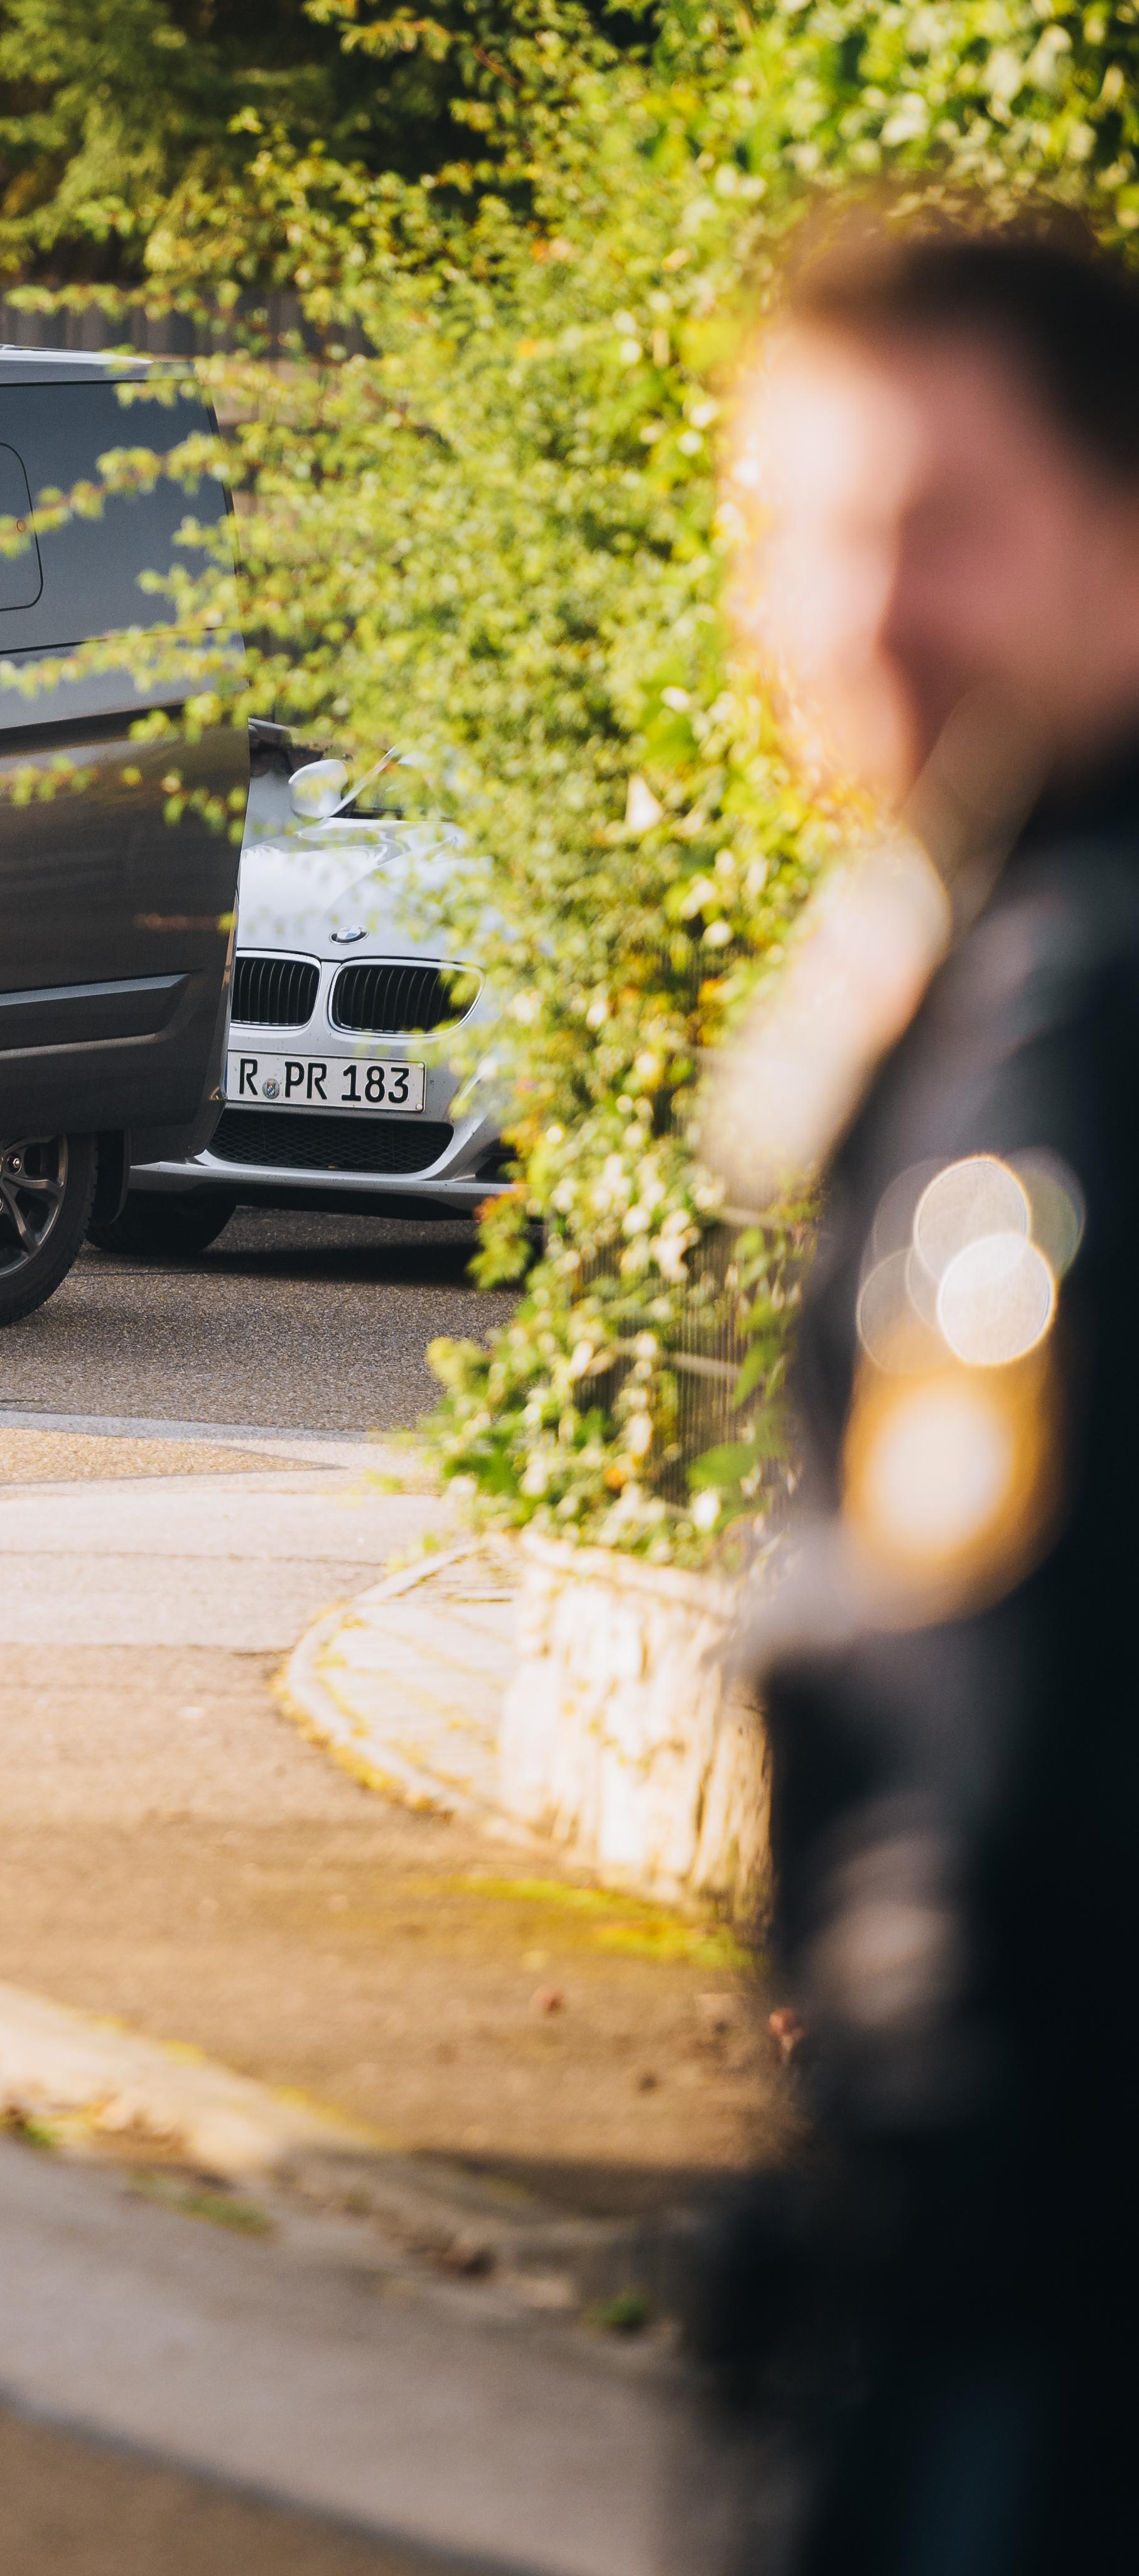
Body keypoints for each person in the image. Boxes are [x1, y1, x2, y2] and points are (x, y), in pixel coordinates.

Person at [710, 220, 1139, 2573]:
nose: (867, 609)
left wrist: (919, 2216)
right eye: (806, 535)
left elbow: (1000, 1712)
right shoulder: (989, 925)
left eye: (943, 527)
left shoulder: (1070, 1007)